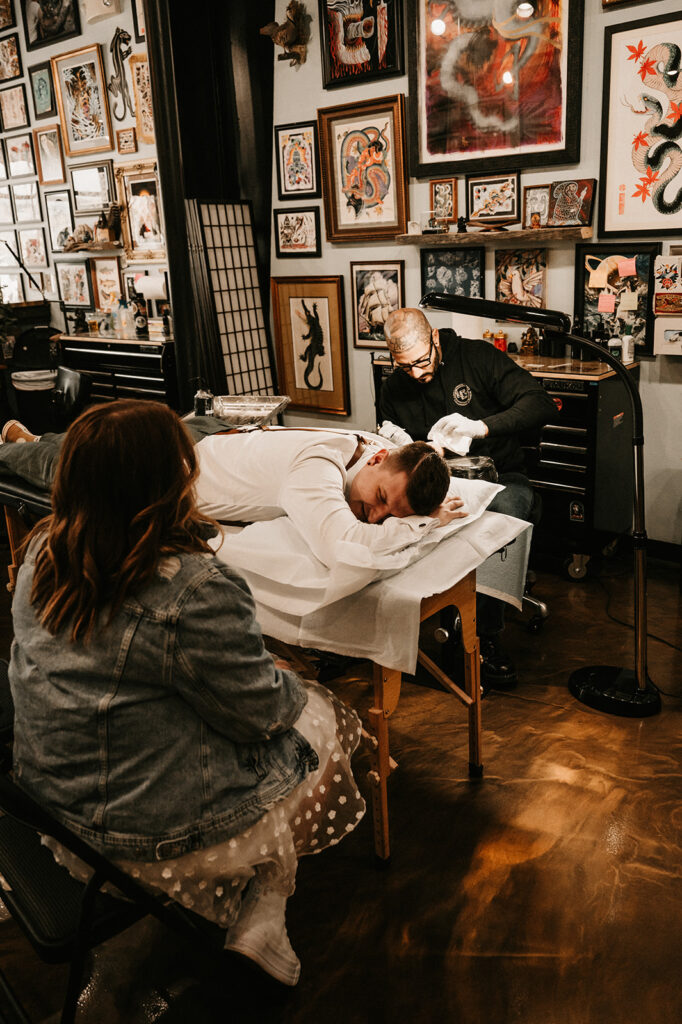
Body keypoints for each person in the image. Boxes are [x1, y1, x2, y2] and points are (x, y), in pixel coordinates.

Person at [8, 400, 368, 987]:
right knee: (321, 716)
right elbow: (263, 715)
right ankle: (265, 910)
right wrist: (279, 674)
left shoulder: (43, 551)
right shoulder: (192, 588)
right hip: (142, 840)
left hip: (49, 805)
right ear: (170, 484)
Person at [0, 414, 464, 571]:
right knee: (74, 465)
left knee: (84, 443)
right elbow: (342, 546)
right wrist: (426, 523)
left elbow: (415, 472)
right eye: (382, 501)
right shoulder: (316, 469)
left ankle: (36, 439)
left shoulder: (384, 450)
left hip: (219, 439)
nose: (378, 518)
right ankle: (18, 446)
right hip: (170, 469)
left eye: (389, 515)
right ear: (380, 461)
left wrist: (413, 507)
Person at [379, 307, 557, 691]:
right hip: (436, 482)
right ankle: (409, 628)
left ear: (435, 340)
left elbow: (539, 403)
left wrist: (481, 427)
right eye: (404, 366)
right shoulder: (396, 384)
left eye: (421, 361)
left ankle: (483, 638)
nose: (416, 373)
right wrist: (404, 444)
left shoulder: (476, 358)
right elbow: (387, 434)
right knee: (390, 516)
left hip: (499, 475)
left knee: (500, 516)